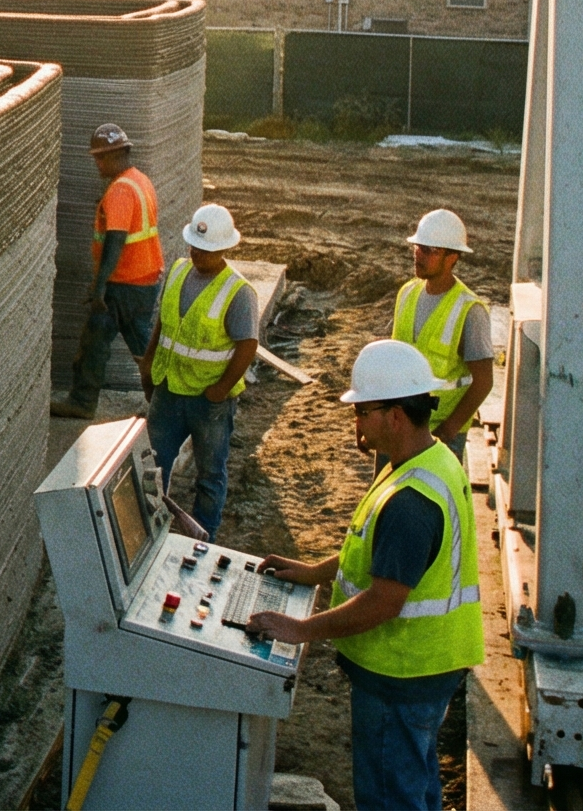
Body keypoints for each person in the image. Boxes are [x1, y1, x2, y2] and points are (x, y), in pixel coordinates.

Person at [247, 340, 484, 811]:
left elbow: (383, 601)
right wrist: (317, 573)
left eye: (362, 412)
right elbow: (380, 553)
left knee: (389, 796)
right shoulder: (425, 463)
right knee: (415, 782)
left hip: (402, 672)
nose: (355, 422)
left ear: (395, 416)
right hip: (429, 666)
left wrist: (301, 629)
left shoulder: (412, 501)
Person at [142, 203, 259, 533]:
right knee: (153, 464)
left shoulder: (237, 292)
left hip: (208, 400)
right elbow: (163, 324)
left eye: (206, 250)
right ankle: (151, 530)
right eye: (194, 245)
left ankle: (202, 535)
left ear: (224, 248)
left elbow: (247, 345)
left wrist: (220, 389)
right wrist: (149, 364)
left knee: (209, 474)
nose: (197, 253)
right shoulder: (178, 272)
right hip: (168, 388)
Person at [54, 123, 163, 419]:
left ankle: (82, 402)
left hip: (122, 284)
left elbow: (115, 239)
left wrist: (99, 285)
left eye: (101, 158)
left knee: (98, 344)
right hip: (143, 279)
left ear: (118, 155)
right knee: (139, 346)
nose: (97, 164)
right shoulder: (141, 181)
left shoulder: (120, 191)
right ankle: (163, 403)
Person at [391, 209, 492, 453]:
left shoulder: (469, 310)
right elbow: (393, 360)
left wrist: (448, 431)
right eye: (417, 248)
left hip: (439, 433)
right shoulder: (407, 293)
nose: (419, 255)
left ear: (452, 257)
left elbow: (484, 381)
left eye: (430, 250)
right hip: (398, 425)